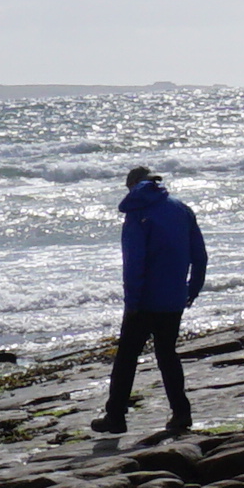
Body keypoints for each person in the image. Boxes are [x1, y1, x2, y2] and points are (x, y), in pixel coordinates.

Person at [102, 164, 209, 438]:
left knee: (126, 357)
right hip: (173, 298)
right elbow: (200, 255)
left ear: (133, 186)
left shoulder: (137, 214)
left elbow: (134, 262)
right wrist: (192, 289)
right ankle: (181, 412)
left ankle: (116, 417)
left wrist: (132, 302)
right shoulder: (181, 209)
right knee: (167, 355)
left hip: (145, 301)